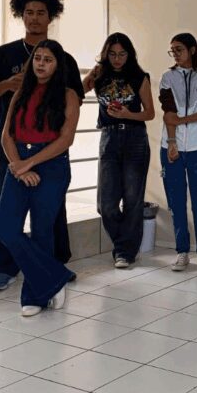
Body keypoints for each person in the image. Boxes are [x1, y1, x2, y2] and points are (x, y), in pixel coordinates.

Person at [0, 0, 84, 291]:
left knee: (49, 213)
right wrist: (10, 84)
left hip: (50, 150)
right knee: (6, 209)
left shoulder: (63, 59)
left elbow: (73, 98)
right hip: (12, 147)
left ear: (50, 17)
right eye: (29, 12)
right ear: (20, 16)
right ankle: (5, 268)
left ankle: (53, 266)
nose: (34, 18)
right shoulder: (4, 53)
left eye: (41, 13)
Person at [0, 39, 80, 316]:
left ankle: (34, 295)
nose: (41, 64)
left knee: (43, 230)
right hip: (19, 162)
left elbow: (66, 139)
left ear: (58, 65)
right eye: (38, 58)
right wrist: (18, 164)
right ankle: (54, 278)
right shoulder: (21, 92)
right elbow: (6, 134)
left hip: (52, 165)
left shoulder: (68, 96)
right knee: (7, 229)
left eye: (48, 60)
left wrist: (29, 164)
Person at [83, 33, 155, 268]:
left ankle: (124, 252)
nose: (117, 59)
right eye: (112, 54)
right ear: (106, 54)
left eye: (122, 54)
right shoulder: (100, 74)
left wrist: (127, 114)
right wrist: (92, 74)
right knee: (106, 203)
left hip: (134, 136)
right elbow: (78, 91)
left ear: (129, 54)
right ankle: (123, 244)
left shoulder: (138, 76)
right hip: (109, 136)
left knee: (133, 199)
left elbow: (150, 113)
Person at [158, 33, 197, 273]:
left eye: (179, 49)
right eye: (172, 50)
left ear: (192, 50)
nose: (175, 54)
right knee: (176, 201)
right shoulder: (168, 78)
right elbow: (168, 112)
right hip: (171, 146)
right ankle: (181, 252)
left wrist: (184, 120)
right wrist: (172, 141)